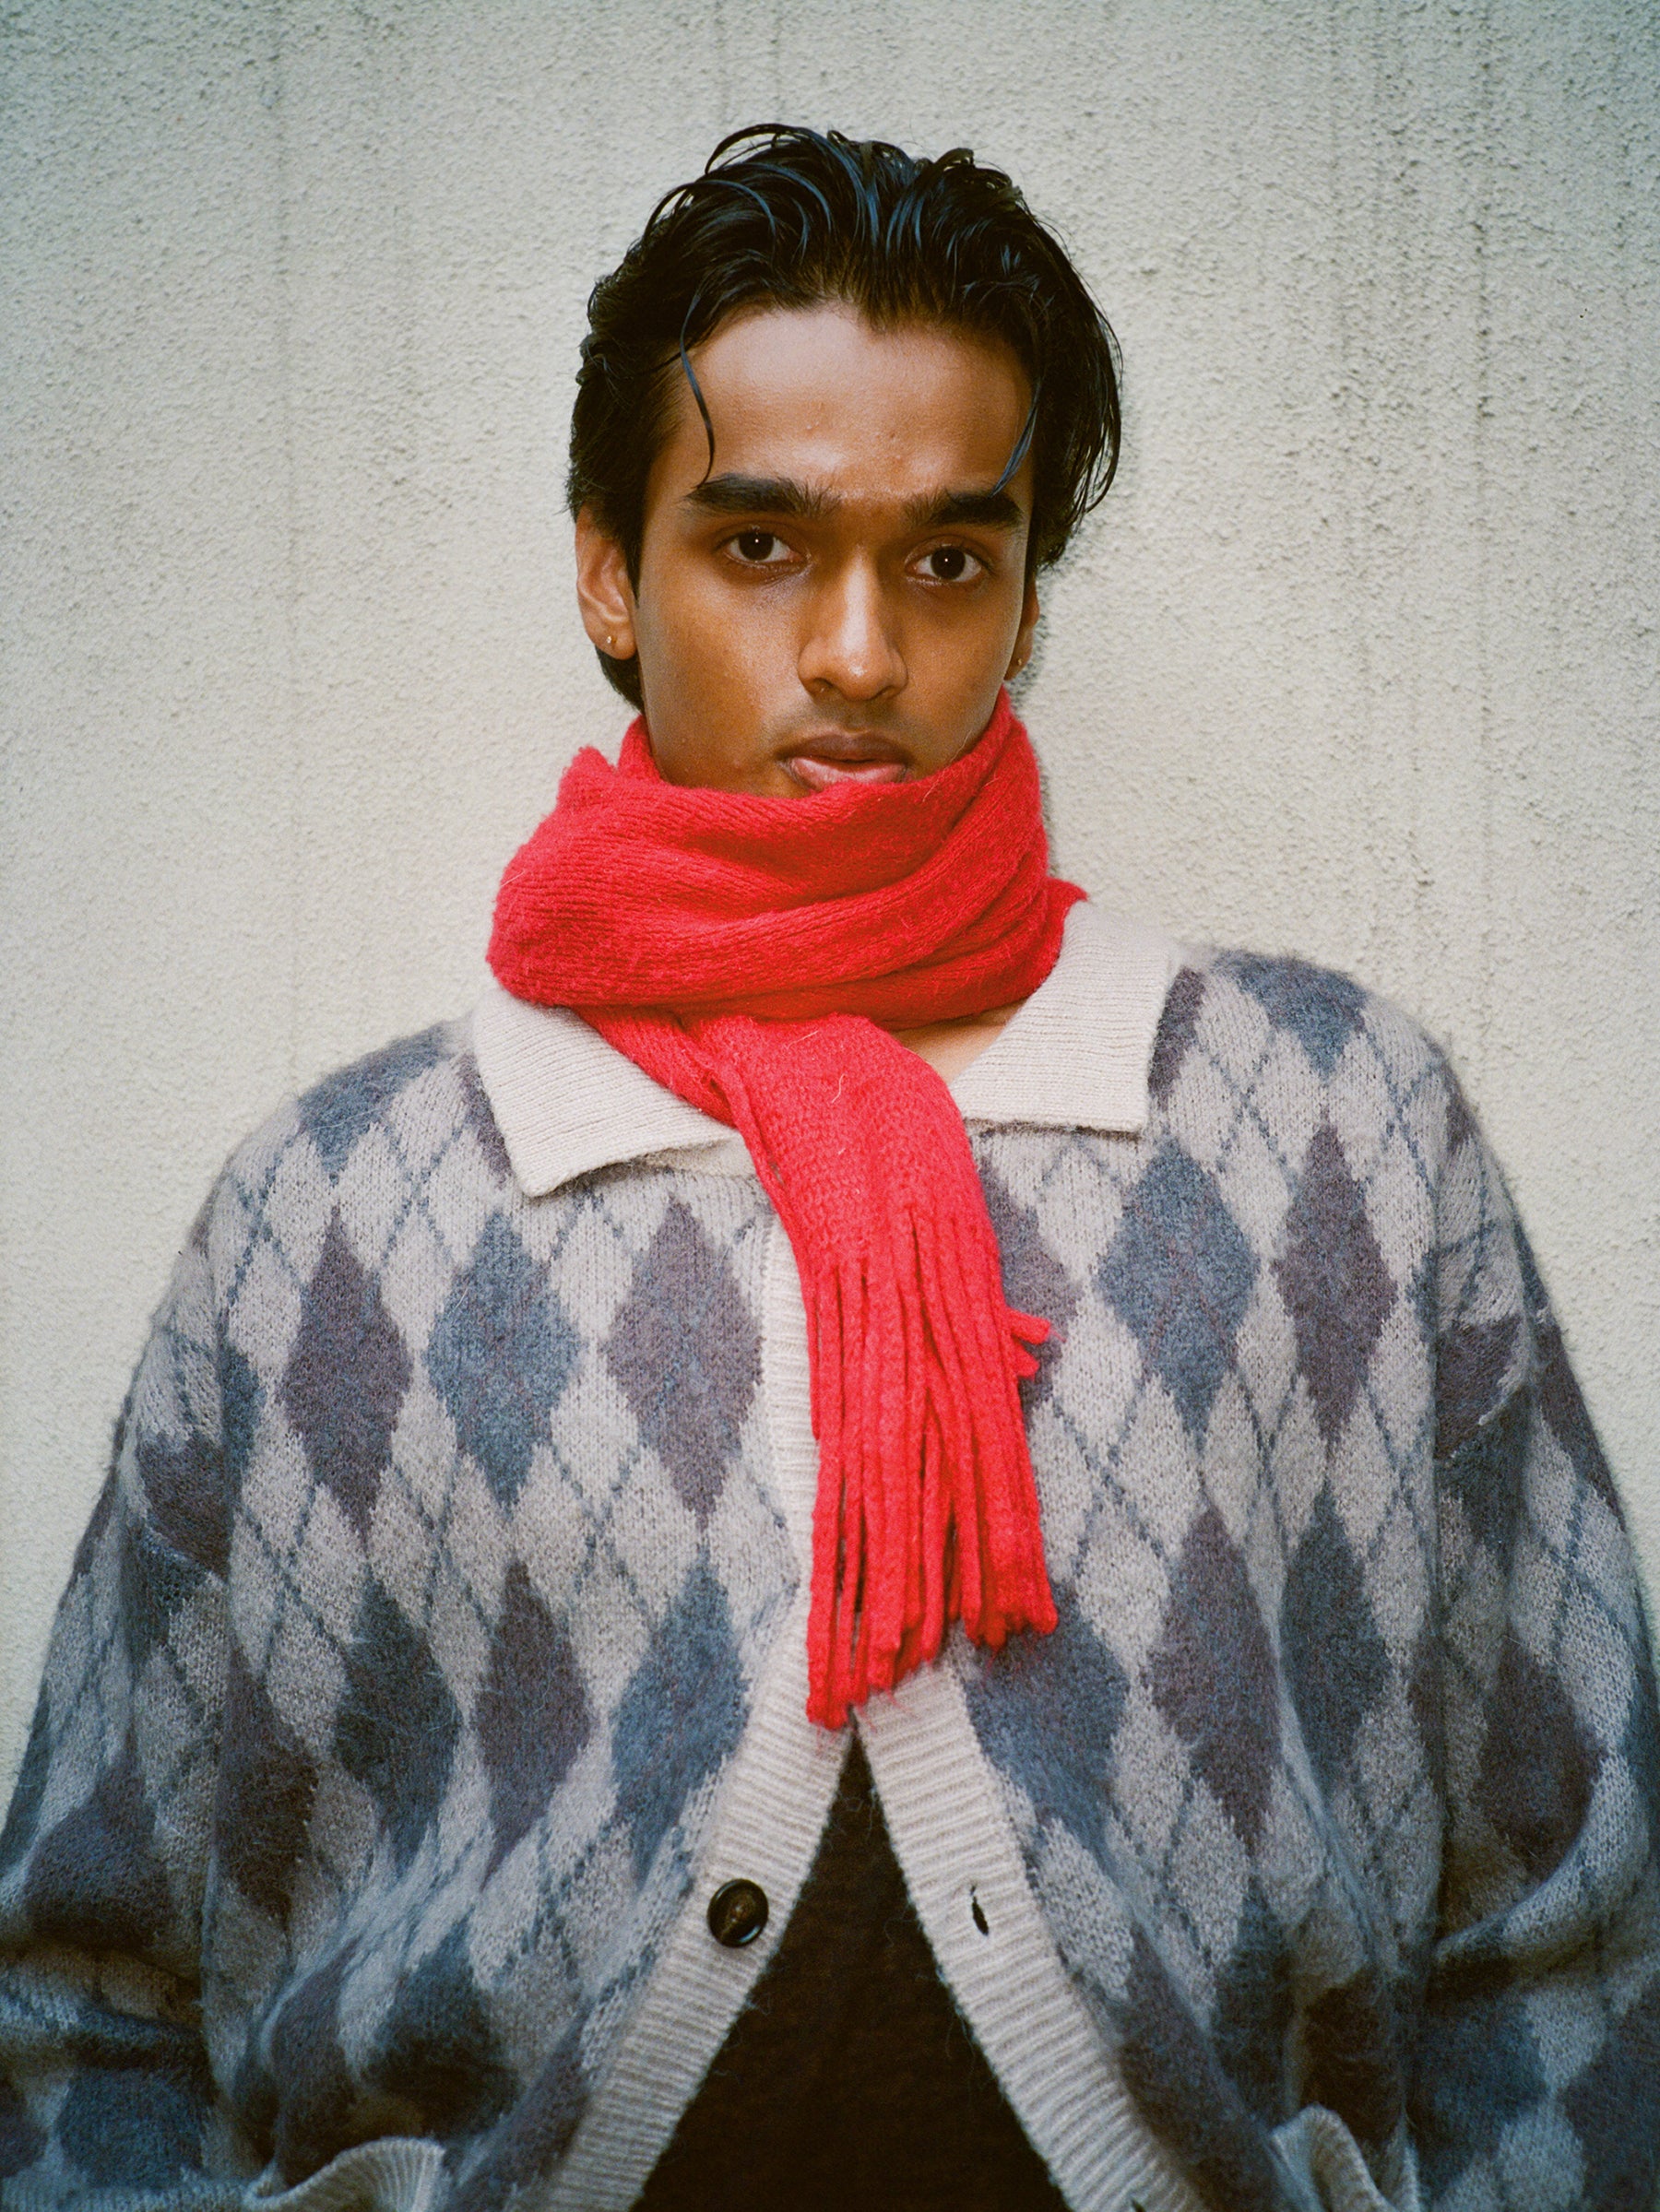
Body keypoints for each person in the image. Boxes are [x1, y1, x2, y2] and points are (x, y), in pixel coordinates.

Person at [1, 124, 1655, 2212]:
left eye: (949, 558)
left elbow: (1573, 1933)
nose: (862, 654)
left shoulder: (1334, 1131)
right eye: (762, 548)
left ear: (1027, 587)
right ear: (611, 564)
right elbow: (84, 2001)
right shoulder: (337, 1211)